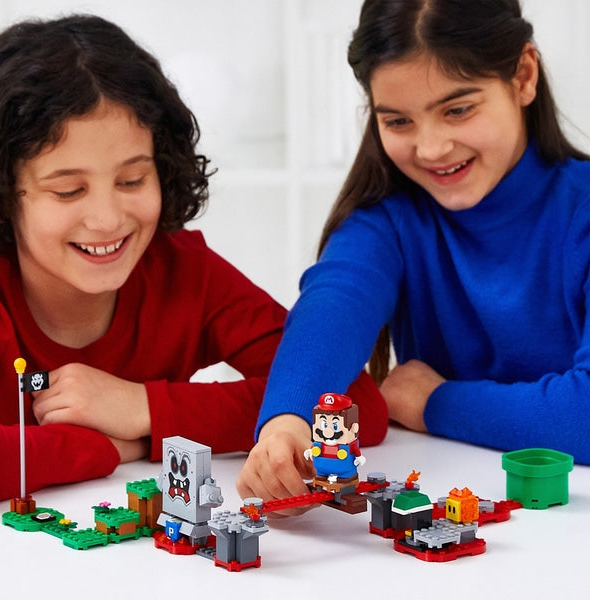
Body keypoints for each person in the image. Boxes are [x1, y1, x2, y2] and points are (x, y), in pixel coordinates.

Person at [0, 14, 388, 504]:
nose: (107, 218)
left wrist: (143, 409)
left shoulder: (185, 272)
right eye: (68, 190)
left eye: (132, 180)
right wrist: (110, 447)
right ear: (3, 196)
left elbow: (355, 405)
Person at [237, 0, 590, 509]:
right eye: (399, 121)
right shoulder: (388, 221)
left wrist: (433, 402)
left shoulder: (581, 210)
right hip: (454, 515)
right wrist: (286, 423)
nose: (431, 148)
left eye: (458, 110)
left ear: (523, 76)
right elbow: (333, 306)